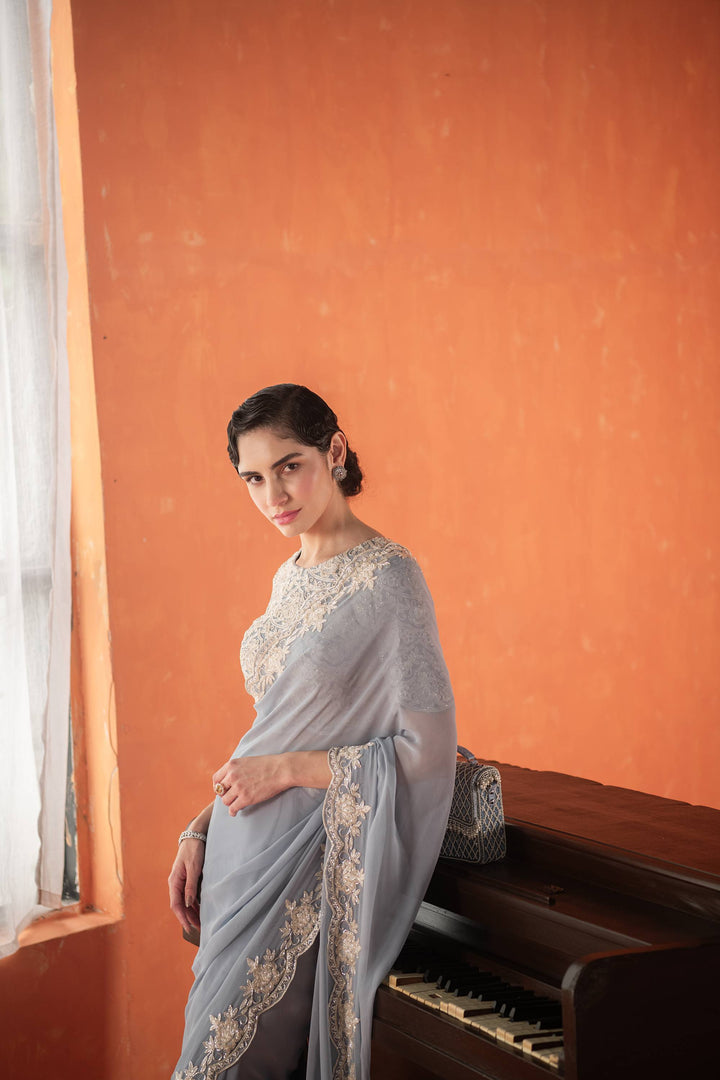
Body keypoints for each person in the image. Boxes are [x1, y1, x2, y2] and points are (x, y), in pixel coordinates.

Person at [169, 384, 456, 1080]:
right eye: (253, 478)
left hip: (300, 868)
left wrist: (287, 770)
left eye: (289, 466)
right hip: (236, 861)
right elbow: (279, 723)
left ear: (334, 451)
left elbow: (425, 754)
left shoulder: (391, 580)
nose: (273, 495)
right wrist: (202, 826)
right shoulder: (290, 576)